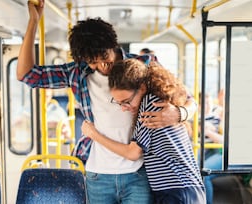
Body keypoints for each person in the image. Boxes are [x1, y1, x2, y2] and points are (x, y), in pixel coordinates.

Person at [17, 1, 197, 203]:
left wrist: (180, 113)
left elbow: (191, 101)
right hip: (98, 174)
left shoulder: (143, 65)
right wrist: (34, 21)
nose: (102, 67)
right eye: (93, 63)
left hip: (138, 173)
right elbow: (27, 75)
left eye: (106, 59)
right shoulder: (77, 73)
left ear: (114, 46)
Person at [81, 59, 206, 204]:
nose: (123, 108)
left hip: (176, 189)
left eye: (127, 101)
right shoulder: (159, 98)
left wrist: (93, 134)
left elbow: (133, 153)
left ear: (141, 88)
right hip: (181, 188)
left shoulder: (151, 104)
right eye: (119, 103)